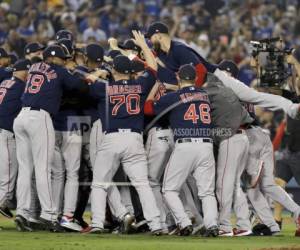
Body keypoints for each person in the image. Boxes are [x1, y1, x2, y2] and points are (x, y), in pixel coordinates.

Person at [84, 30, 162, 235]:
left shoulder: (105, 88)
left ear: (115, 71)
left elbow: (87, 83)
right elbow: (153, 68)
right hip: (135, 139)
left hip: (112, 138)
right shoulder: (139, 84)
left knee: (100, 183)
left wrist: (99, 73)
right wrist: (143, 46)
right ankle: (156, 224)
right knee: (142, 184)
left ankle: (98, 224)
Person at [13, 45, 88, 232]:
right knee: (42, 168)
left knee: (25, 169)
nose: (64, 60)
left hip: (21, 117)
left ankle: (22, 211)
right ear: (58, 59)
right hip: (40, 118)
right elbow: (79, 86)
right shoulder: (60, 70)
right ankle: (50, 215)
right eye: (63, 58)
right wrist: (76, 72)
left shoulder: (33, 68)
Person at [144, 64, 219, 237]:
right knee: (207, 191)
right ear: (194, 78)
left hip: (186, 145)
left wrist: (156, 88)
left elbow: (148, 108)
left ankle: (184, 223)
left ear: (178, 78)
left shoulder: (174, 96)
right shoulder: (205, 95)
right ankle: (212, 225)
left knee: (169, 190)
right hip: (206, 144)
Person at [0, 59, 31, 219]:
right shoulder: (20, 86)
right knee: (7, 180)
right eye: (27, 71)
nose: (28, 75)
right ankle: (2, 203)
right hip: (5, 134)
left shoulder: (5, 81)